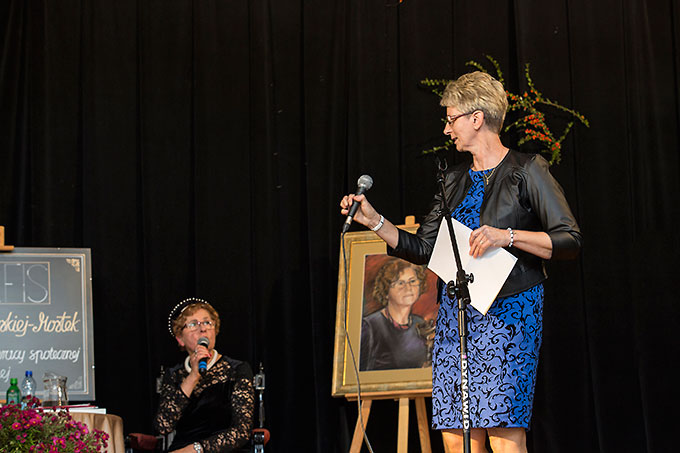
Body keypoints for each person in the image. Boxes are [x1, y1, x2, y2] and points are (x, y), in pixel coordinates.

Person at [340, 71, 582, 453]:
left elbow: (569, 240)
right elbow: (423, 249)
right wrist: (374, 221)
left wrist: (508, 236)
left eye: (451, 119)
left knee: (503, 436)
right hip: (456, 319)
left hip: (508, 318)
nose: (446, 128)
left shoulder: (526, 170)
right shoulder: (453, 180)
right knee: (456, 440)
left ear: (477, 118)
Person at [154, 298, 254, 453]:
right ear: (180, 339)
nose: (203, 329)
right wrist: (193, 376)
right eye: (193, 324)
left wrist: (197, 449)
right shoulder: (173, 375)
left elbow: (242, 431)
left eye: (207, 323)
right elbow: (163, 426)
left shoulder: (237, 369)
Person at [360, 257, 433, 371]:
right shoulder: (369, 327)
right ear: (386, 291)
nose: (408, 288)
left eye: (412, 281)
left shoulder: (420, 324)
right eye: (400, 283)